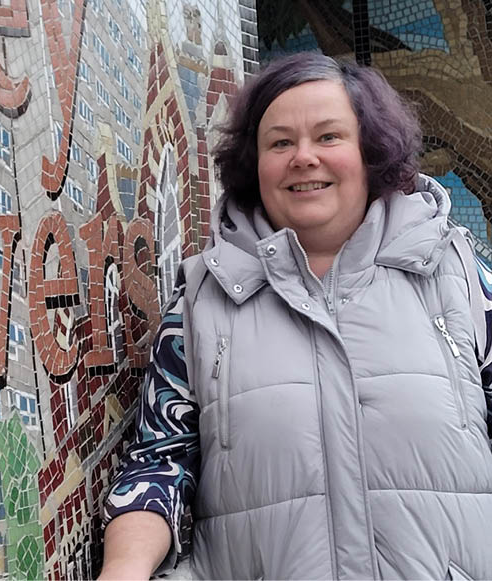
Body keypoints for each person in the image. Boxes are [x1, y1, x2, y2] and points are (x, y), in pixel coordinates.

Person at [99, 52, 492, 580]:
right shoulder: (200, 302)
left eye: (329, 137)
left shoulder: (459, 275)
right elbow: (159, 462)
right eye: (280, 142)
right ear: (253, 164)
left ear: (370, 151)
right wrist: (123, 570)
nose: (304, 157)